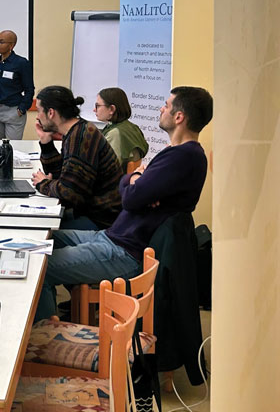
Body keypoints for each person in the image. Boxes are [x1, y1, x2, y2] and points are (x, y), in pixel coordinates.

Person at [34, 86, 213, 321]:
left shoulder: (185, 157)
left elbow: (129, 197)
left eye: (167, 105)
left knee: (38, 268)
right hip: (111, 237)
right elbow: (135, 192)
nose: (162, 108)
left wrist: (135, 178)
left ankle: (46, 341)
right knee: (37, 240)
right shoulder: (175, 153)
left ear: (179, 117)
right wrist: (137, 180)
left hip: (123, 252)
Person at [31, 86, 122, 230]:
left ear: (50, 112)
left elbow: (71, 194)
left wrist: (42, 184)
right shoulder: (76, 130)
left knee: (39, 230)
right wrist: (46, 141)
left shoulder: (82, 137)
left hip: (100, 221)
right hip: (90, 213)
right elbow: (60, 175)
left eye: (38, 111)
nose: (37, 116)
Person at [0, 30, 34, 140]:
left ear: (11, 45)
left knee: (12, 148)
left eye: (1, 42)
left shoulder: (21, 63)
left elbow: (29, 89)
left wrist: (22, 109)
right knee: (0, 147)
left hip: (13, 111)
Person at [94, 87, 149, 170]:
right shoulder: (133, 127)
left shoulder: (115, 134)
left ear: (112, 109)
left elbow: (105, 169)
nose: (94, 110)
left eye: (97, 106)